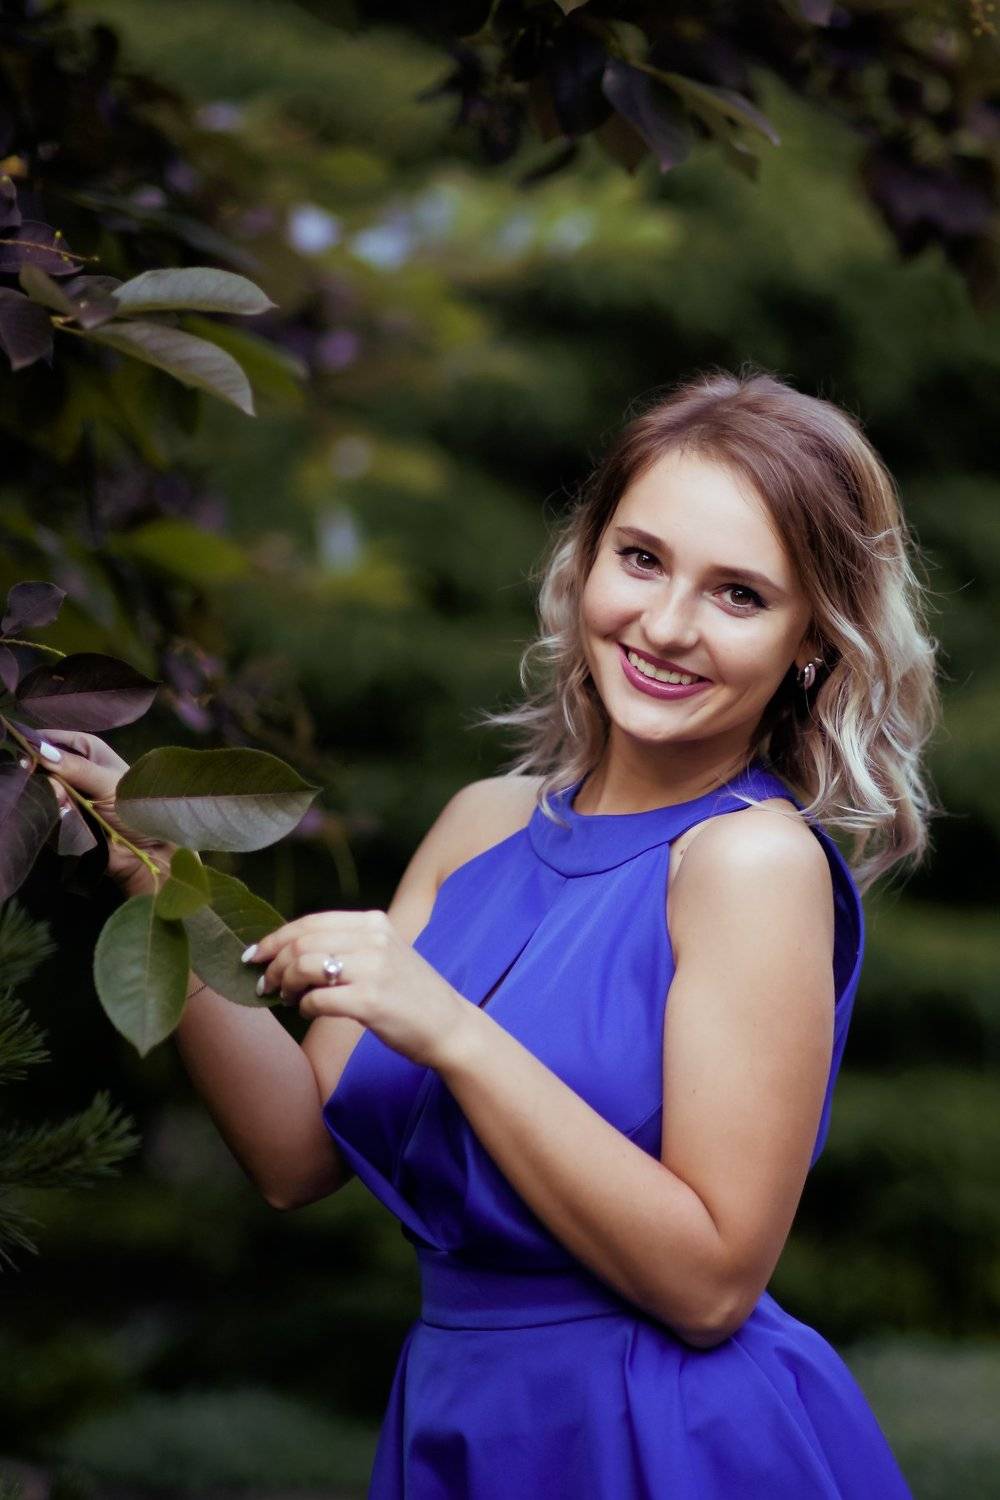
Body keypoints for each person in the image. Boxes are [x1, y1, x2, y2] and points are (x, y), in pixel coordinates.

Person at [43, 367, 939, 1497]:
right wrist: (151, 866)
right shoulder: (484, 823)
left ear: (812, 639)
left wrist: (454, 1032)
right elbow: (294, 1152)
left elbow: (712, 1285)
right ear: (587, 558)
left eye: (739, 595)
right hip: (463, 1416)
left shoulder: (749, 863)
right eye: (642, 558)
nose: (666, 625)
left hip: (658, 1436)